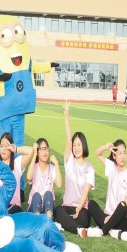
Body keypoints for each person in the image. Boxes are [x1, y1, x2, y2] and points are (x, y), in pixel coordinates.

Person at [78, 139, 127, 240]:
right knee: (91, 204)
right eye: (119, 153)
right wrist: (106, 147)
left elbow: (126, 205)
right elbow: (97, 153)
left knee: (122, 205)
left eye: (124, 153)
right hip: (105, 216)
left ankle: (102, 231)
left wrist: (112, 217)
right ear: (114, 156)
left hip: (120, 220)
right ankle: (112, 231)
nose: (122, 157)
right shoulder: (111, 167)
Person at [53, 100, 94, 234]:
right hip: (67, 207)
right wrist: (66, 116)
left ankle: (66, 226)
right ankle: (77, 230)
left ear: (84, 146)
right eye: (74, 145)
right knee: (58, 210)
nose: (76, 148)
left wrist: (78, 209)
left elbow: (86, 192)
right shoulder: (69, 161)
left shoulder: (90, 167)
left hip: (81, 208)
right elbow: (68, 137)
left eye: (79, 145)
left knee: (83, 219)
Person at [0, 132, 33, 214]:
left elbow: (30, 151)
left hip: (14, 209)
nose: (3, 149)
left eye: (6, 146)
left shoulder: (17, 164)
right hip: (1, 208)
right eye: (1, 146)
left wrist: (16, 149)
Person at [27, 138, 61, 218]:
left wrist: (56, 164)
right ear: (37, 152)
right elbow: (29, 177)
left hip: (48, 207)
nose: (45, 152)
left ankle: (48, 220)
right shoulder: (34, 167)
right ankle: (38, 220)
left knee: (48, 194)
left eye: (46, 149)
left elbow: (59, 185)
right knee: (36, 196)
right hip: (34, 207)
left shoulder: (51, 168)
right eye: (42, 149)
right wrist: (34, 154)